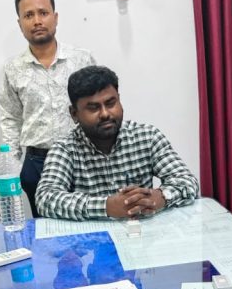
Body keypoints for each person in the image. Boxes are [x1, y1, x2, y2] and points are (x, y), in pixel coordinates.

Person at [35, 65, 199, 220]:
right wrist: (106, 206)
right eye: (93, 108)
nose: (105, 114)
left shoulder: (147, 136)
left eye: (110, 103)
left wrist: (160, 197)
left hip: (142, 233)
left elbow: (187, 181)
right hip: (92, 238)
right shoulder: (65, 149)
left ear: (119, 100)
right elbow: (45, 199)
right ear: (74, 114)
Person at [0, 0, 95, 214]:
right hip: (37, 162)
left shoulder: (81, 59)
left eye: (43, 13)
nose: (37, 21)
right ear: (20, 24)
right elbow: (11, 118)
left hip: (81, 158)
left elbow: (97, 106)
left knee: (89, 222)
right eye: (28, 15)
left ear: (55, 17)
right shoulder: (13, 68)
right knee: (46, 228)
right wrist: (12, 167)